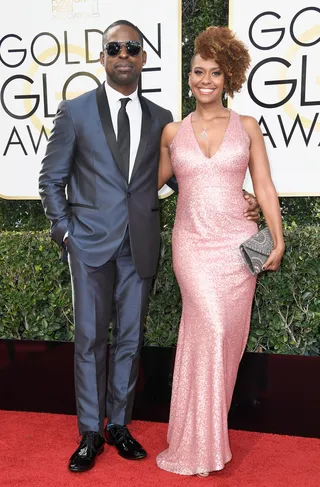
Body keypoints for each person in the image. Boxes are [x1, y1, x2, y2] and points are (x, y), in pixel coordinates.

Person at [39, 20, 260, 473]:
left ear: (143, 58)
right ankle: (89, 432)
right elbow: (50, 180)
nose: (123, 54)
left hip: (140, 244)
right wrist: (67, 235)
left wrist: (239, 198)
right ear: (102, 58)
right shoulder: (75, 111)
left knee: (130, 341)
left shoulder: (163, 120)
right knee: (89, 340)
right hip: (89, 245)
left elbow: (187, 175)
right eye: (113, 47)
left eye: (132, 48)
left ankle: (119, 424)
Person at [156, 26, 285, 477]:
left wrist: (277, 235)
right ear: (188, 76)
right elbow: (148, 187)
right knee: (208, 326)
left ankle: (201, 436)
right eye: (197, 71)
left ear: (227, 77)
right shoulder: (172, 131)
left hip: (236, 247)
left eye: (214, 72)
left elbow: (264, 185)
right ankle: (198, 444)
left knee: (225, 342)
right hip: (191, 244)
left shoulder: (247, 126)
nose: (204, 80)